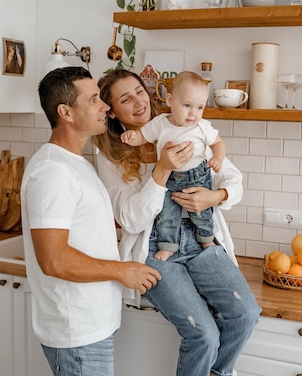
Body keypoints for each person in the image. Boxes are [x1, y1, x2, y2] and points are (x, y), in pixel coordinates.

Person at [93, 69, 261, 376]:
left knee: (246, 314)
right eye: (125, 99)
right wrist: (162, 170)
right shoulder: (108, 157)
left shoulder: (183, 126)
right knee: (204, 334)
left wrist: (215, 196)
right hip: (156, 250)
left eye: (139, 92)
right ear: (113, 111)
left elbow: (231, 176)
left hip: (202, 241)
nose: (137, 102)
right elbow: (130, 218)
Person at [20, 66, 161, 376]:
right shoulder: (52, 172)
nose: (105, 107)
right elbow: (54, 260)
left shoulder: (77, 162)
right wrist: (121, 271)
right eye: (94, 99)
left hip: (92, 323)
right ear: (66, 112)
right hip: (76, 330)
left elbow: (89, 227)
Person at [120, 71, 226, 261]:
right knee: (167, 213)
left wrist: (217, 159)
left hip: (197, 177)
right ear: (170, 100)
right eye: (187, 105)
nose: (193, 113)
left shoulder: (201, 127)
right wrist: (132, 137)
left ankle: (206, 239)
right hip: (168, 179)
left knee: (201, 213)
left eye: (199, 107)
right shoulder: (160, 123)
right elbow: (143, 136)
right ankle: (168, 245)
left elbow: (218, 143)